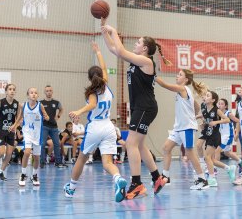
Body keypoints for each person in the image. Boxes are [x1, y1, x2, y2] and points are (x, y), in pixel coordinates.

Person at [101, 18, 170, 199]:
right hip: (142, 108)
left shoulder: (146, 63)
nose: (135, 44)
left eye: (138, 42)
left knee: (131, 143)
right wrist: (105, 31)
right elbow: (114, 49)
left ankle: (137, 183)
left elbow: (121, 50)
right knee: (139, 145)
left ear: (145, 49)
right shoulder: (137, 61)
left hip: (145, 108)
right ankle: (157, 178)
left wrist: (114, 31)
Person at [64, 42, 127, 203]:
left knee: (82, 158)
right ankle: (118, 178)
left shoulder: (92, 92)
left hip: (96, 126)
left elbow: (92, 104)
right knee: (107, 162)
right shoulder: (106, 85)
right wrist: (99, 52)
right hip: (109, 126)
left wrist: (78, 111)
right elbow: (104, 68)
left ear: (89, 78)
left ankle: (71, 188)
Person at [156, 70, 209, 190]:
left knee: (189, 152)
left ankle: (202, 179)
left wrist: (152, 75)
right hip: (179, 127)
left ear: (185, 79)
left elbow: (164, 85)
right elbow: (196, 106)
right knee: (166, 148)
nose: (177, 75)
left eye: (180, 75)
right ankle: (166, 177)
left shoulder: (183, 88)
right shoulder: (186, 91)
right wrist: (195, 116)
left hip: (186, 128)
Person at [197, 91, 232, 187]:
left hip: (214, 135)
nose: (205, 96)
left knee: (208, 157)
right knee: (198, 146)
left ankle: (212, 179)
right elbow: (204, 117)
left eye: (208, 95)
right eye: (205, 95)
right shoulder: (204, 108)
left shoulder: (216, 110)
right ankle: (228, 168)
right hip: (206, 132)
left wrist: (216, 122)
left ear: (213, 100)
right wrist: (202, 122)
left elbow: (227, 119)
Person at [16, 87, 49, 186]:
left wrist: (46, 117)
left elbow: (46, 116)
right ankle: (23, 174)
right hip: (27, 133)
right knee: (26, 153)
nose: (33, 94)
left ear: (37, 95)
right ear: (28, 95)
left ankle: (34, 175)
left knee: (37, 157)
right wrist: (17, 124)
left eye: (35, 93)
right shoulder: (23, 105)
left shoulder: (40, 105)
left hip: (37, 134)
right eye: (31, 93)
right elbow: (19, 117)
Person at [0, 83, 20, 181]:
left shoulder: (16, 104)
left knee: (9, 154)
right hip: (0, 131)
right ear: (6, 91)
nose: (12, 91)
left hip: (10, 132)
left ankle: (0, 173)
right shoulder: (0, 102)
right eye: (10, 89)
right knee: (1, 152)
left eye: (14, 89)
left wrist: (15, 126)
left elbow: (19, 117)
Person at [40, 85, 66, 168]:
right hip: (44, 126)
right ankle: (42, 161)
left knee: (57, 143)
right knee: (43, 144)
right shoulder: (41, 103)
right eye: (47, 91)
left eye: (50, 90)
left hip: (54, 127)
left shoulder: (56, 102)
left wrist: (58, 117)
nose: (49, 92)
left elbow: (61, 109)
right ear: (45, 92)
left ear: (52, 92)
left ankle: (58, 162)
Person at [215, 98, 242, 175]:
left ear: (226, 106)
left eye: (222, 104)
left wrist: (236, 133)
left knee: (217, 150)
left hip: (228, 136)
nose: (219, 105)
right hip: (222, 135)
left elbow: (238, 121)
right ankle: (240, 161)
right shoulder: (219, 114)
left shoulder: (228, 114)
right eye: (219, 103)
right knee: (227, 153)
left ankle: (215, 169)